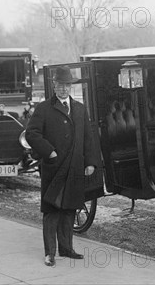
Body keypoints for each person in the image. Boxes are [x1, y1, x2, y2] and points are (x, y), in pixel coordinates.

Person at [25, 66, 101, 267]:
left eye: (67, 85)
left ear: (70, 87)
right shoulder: (43, 109)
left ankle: (66, 249)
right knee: (52, 211)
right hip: (54, 167)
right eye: (60, 85)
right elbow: (31, 134)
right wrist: (49, 151)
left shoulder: (79, 109)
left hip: (75, 167)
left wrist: (91, 162)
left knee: (69, 209)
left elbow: (88, 138)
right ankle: (49, 253)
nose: (64, 89)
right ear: (54, 86)